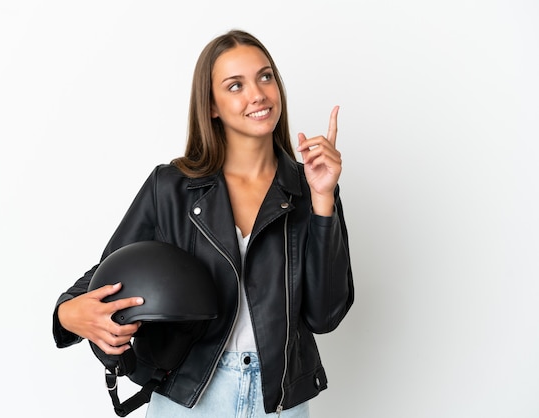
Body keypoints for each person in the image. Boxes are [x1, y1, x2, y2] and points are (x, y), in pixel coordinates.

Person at [53, 29, 354, 417]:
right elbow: (107, 275)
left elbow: (325, 315)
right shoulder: (172, 187)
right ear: (211, 106)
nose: (257, 94)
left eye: (265, 77)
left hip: (277, 402)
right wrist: (67, 314)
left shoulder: (308, 186)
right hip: (190, 398)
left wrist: (323, 197)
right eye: (235, 85)